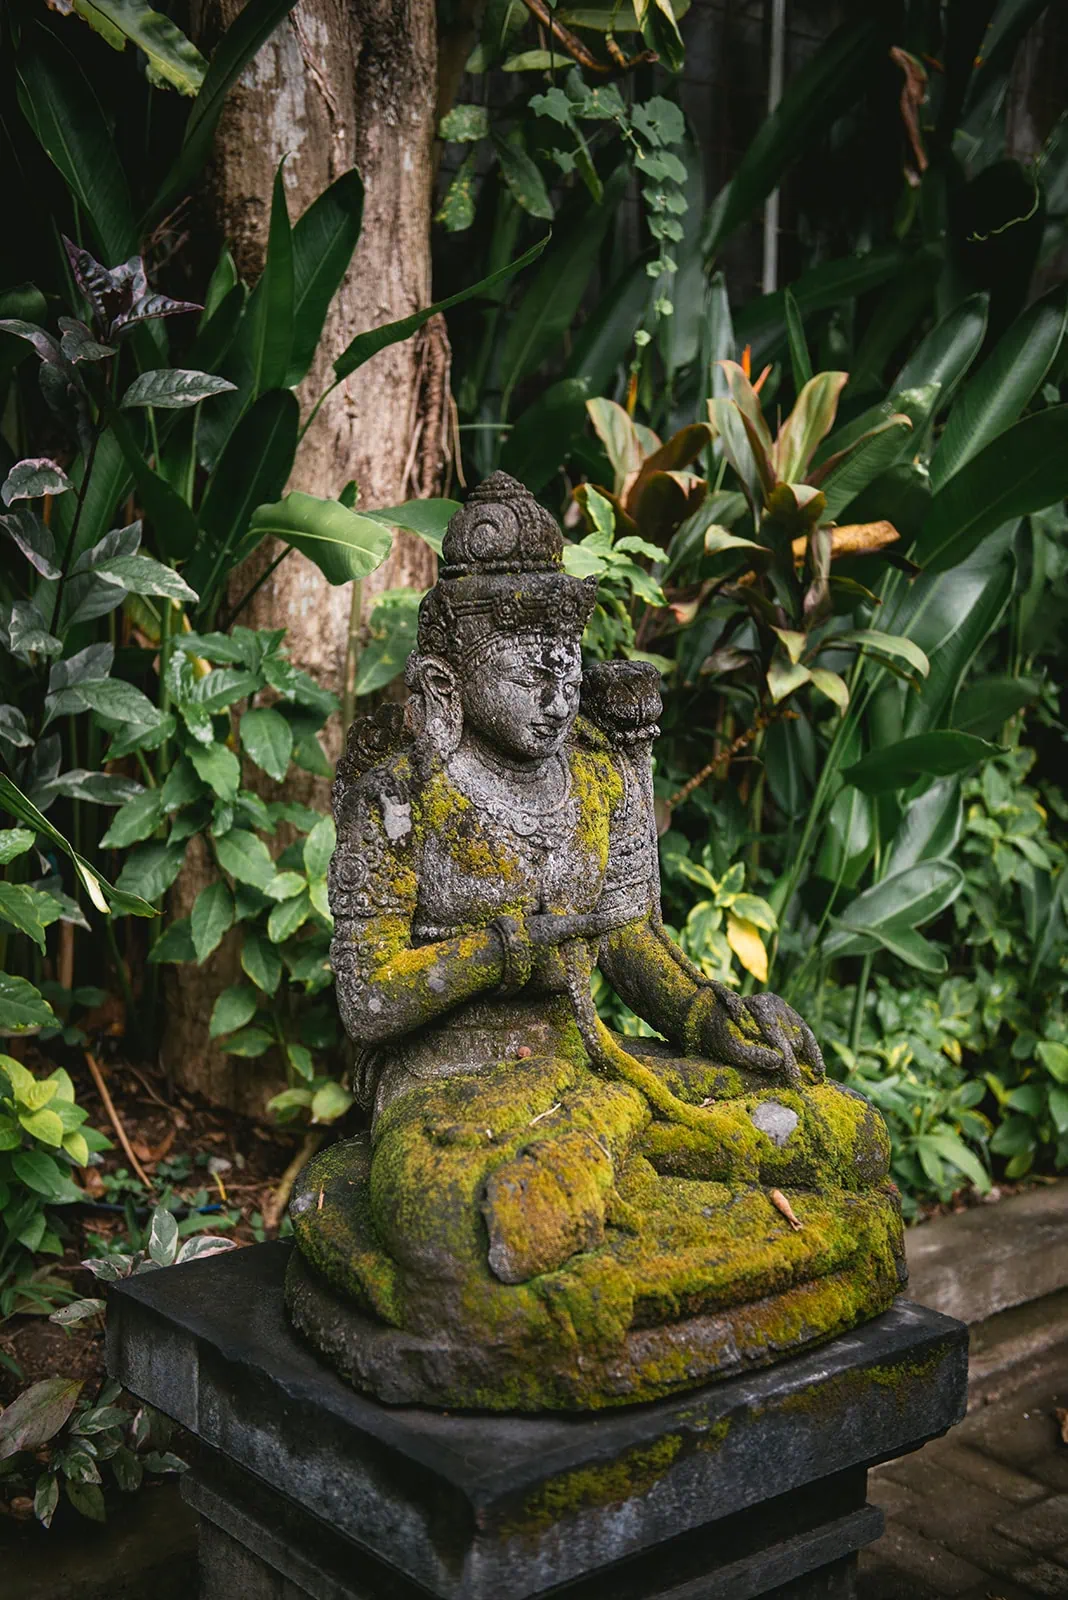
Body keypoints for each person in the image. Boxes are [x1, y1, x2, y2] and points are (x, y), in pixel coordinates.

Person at [287, 473, 905, 1410]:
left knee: (844, 1135)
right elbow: (368, 997)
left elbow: (625, 939)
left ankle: (600, 1155)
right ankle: (589, 1177)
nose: (554, 678)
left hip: (600, 1066)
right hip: (454, 1087)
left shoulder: (597, 771)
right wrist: (506, 948)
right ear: (448, 675)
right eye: (523, 651)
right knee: (442, 1225)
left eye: (564, 648)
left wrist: (708, 1018)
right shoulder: (404, 790)